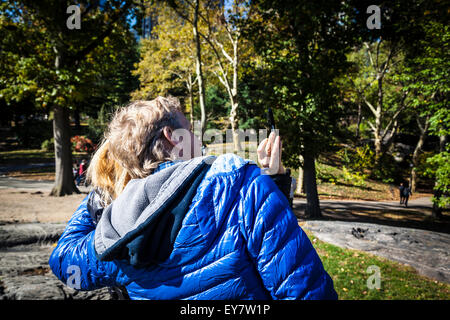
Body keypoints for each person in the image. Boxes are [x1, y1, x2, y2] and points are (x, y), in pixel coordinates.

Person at [49, 96, 337, 300]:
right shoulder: (240, 185)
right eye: (191, 131)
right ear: (172, 137)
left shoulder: (114, 232)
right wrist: (270, 183)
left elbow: (63, 259)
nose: (200, 141)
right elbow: (303, 288)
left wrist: (102, 191)